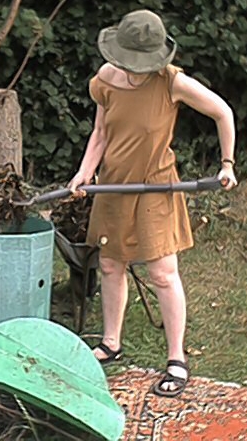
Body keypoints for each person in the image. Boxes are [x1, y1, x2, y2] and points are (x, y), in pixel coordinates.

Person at [68, 9, 237, 398]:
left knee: (162, 273)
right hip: (112, 188)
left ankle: (176, 359)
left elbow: (223, 113)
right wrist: (84, 173)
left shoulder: (172, 82)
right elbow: (100, 134)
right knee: (110, 266)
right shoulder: (106, 80)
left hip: (156, 189)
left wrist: (226, 164)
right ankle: (111, 342)